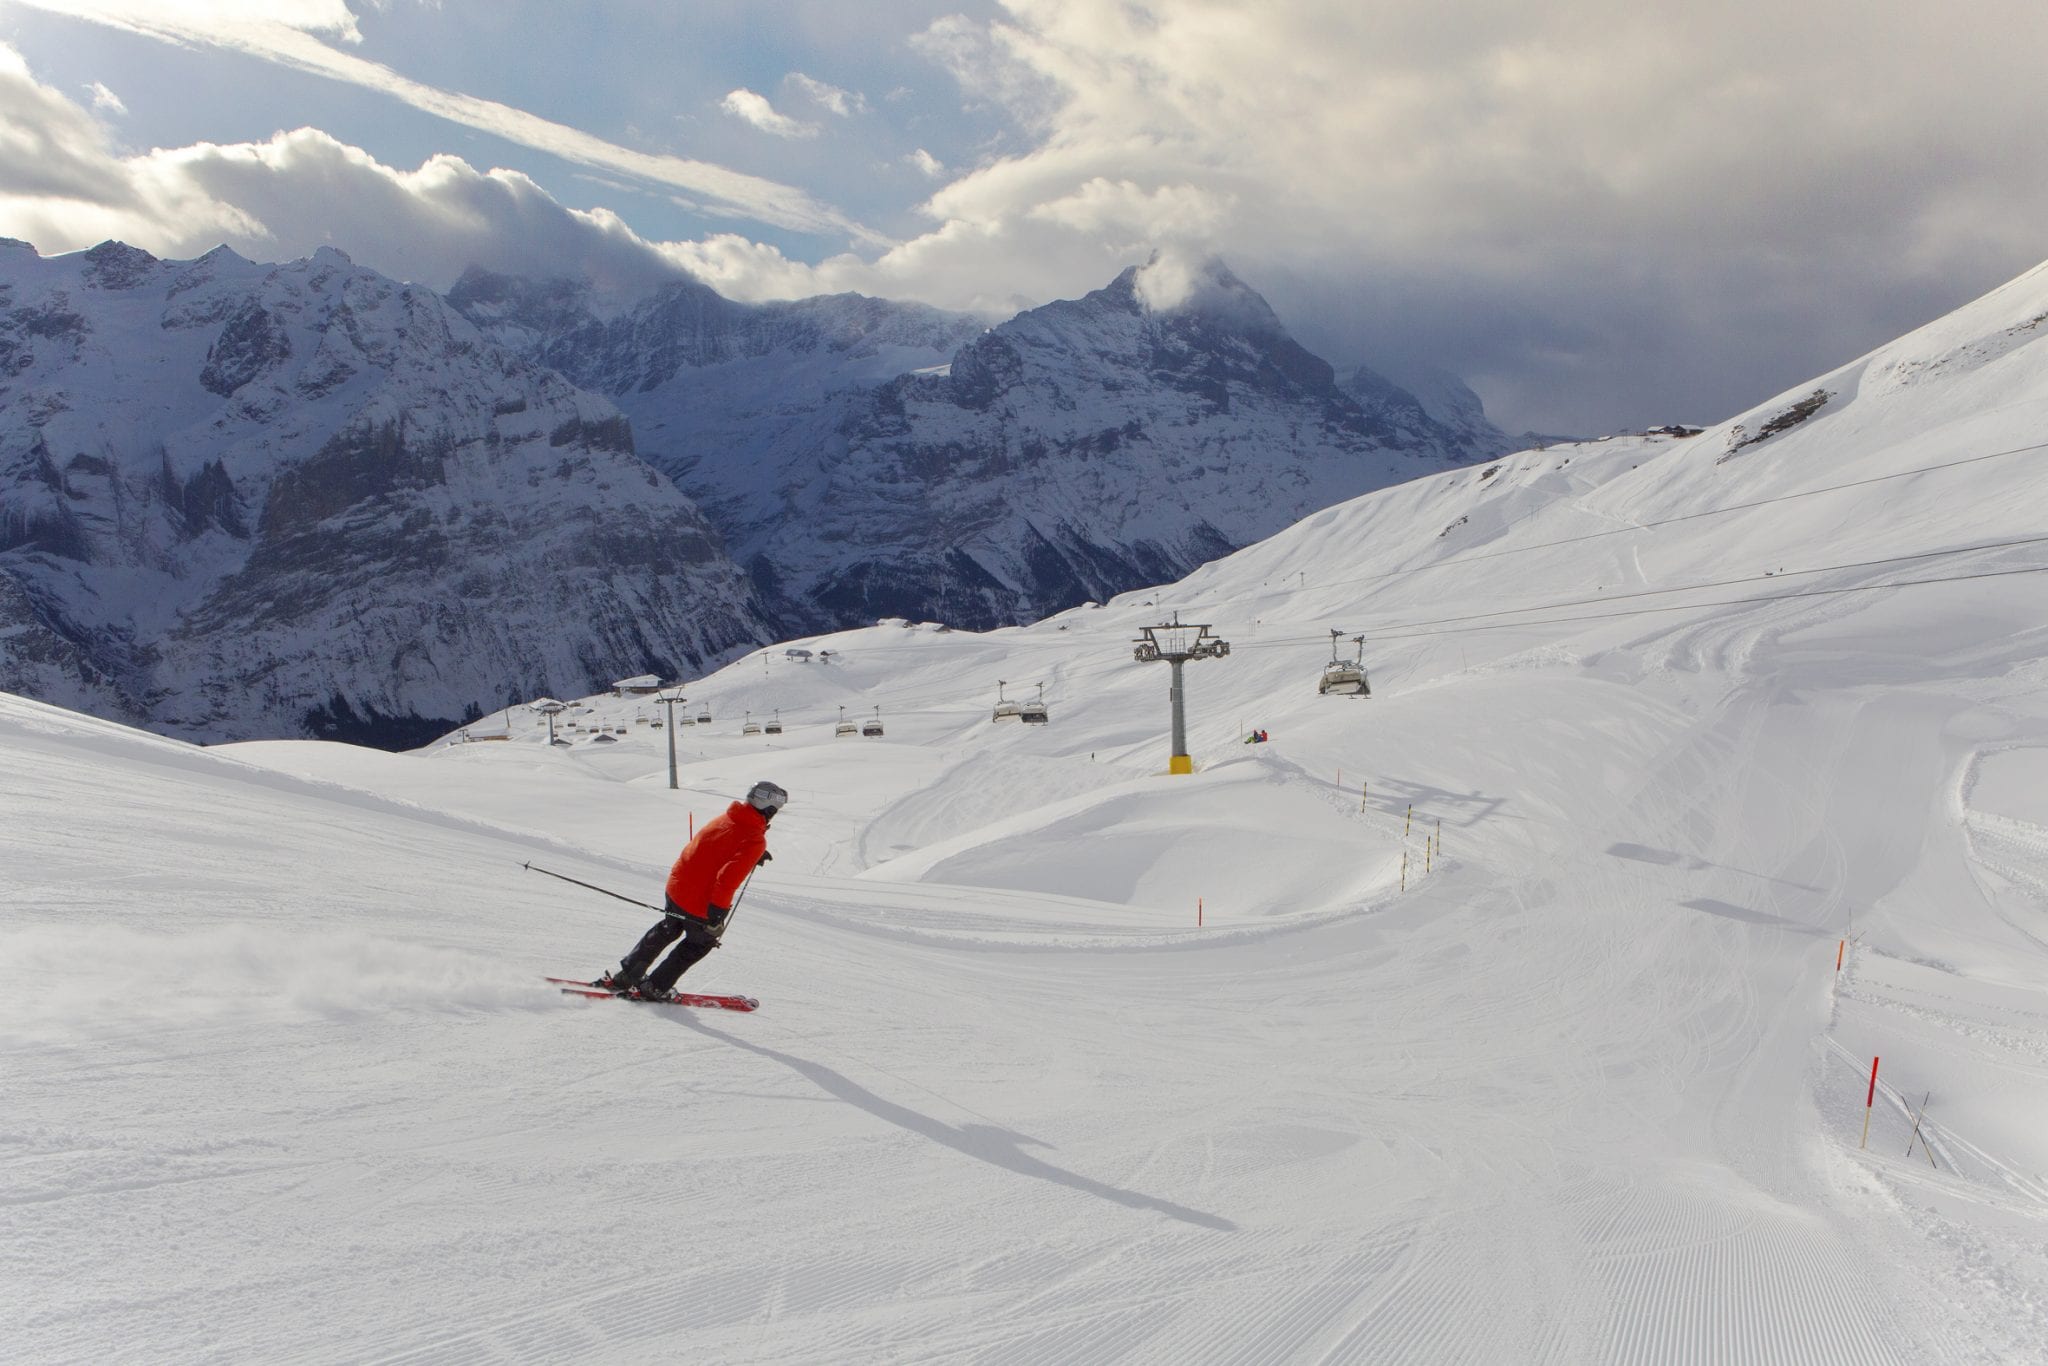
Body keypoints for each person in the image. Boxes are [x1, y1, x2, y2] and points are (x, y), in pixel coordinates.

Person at [598, 780, 785, 998]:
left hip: (677, 889)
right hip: (699, 903)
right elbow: (727, 880)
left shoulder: (726, 818)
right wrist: (717, 913)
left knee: (669, 927)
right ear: (769, 809)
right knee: (700, 942)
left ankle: (627, 975)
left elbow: (713, 848)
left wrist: (751, 855)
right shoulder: (754, 839)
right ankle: (654, 987)